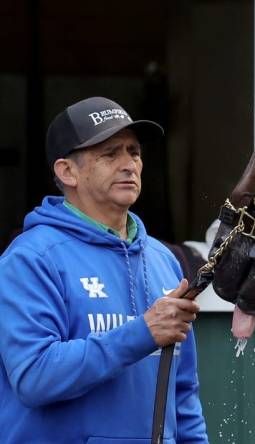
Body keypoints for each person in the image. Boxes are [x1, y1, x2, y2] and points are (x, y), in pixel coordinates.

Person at [0, 97, 208, 442]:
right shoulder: (31, 259)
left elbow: (182, 391)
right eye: (110, 154)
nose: (129, 164)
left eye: (134, 152)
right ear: (67, 171)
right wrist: (142, 333)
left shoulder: (163, 259)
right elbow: (34, 377)